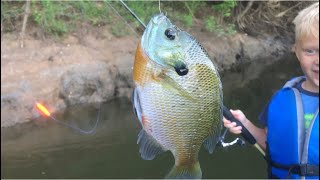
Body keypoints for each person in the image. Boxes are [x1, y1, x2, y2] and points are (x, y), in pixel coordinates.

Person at [223, 2, 319, 179]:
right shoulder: (283, 97)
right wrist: (244, 123)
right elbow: (269, 143)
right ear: (296, 51)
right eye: (310, 51)